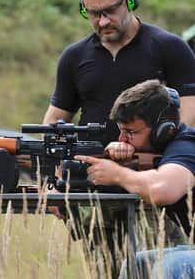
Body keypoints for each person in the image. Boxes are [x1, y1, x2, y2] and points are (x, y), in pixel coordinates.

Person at [43, 0, 195, 146]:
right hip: (89, 165)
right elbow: (56, 117)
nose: (103, 21)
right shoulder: (73, 56)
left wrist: (161, 150)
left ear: (130, 1)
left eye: (111, 10)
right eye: (94, 14)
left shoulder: (170, 47)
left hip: (154, 165)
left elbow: (190, 112)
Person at [75, 79, 195, 278]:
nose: (122, 139)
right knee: (135, 265)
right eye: (121, 131)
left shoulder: (188, 146)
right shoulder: (158, 153)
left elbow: (162, 190)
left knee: (171, 266)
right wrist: (116, 158)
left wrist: (117, 173)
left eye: (130, 132)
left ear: (163, 129)